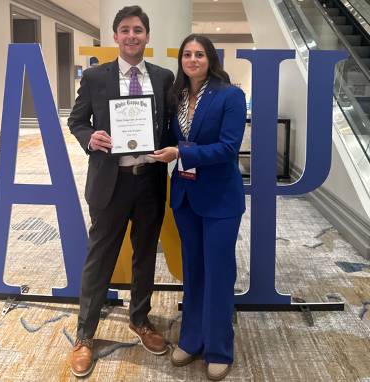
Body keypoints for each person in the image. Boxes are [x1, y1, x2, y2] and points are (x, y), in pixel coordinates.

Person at [67, 5, 174, 378]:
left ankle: (140, 320)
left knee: (145, 253)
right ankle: (84, 335)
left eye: (138, 30)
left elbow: (170, 127)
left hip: (149, 181)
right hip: (110, 182)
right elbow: (77, 120)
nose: (132, 36)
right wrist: (88, 137)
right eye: (125, 30)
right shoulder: (96, 76)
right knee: (100, 259)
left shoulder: (163, 77)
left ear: (147, 36)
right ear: (115, 36)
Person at [150, 34, 246, 381]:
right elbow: (169, 138)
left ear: (211, 59)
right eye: (187, 54)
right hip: (186, 197)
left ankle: (219, 348)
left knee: (219, 273)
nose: (193, 59)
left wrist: (182, 154)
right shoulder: (177, 96)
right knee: (193, 271)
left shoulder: (230, 95)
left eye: (200, 54)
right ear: (181, 60)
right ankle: (192, 340)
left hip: (220, 199)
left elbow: (228, 148)